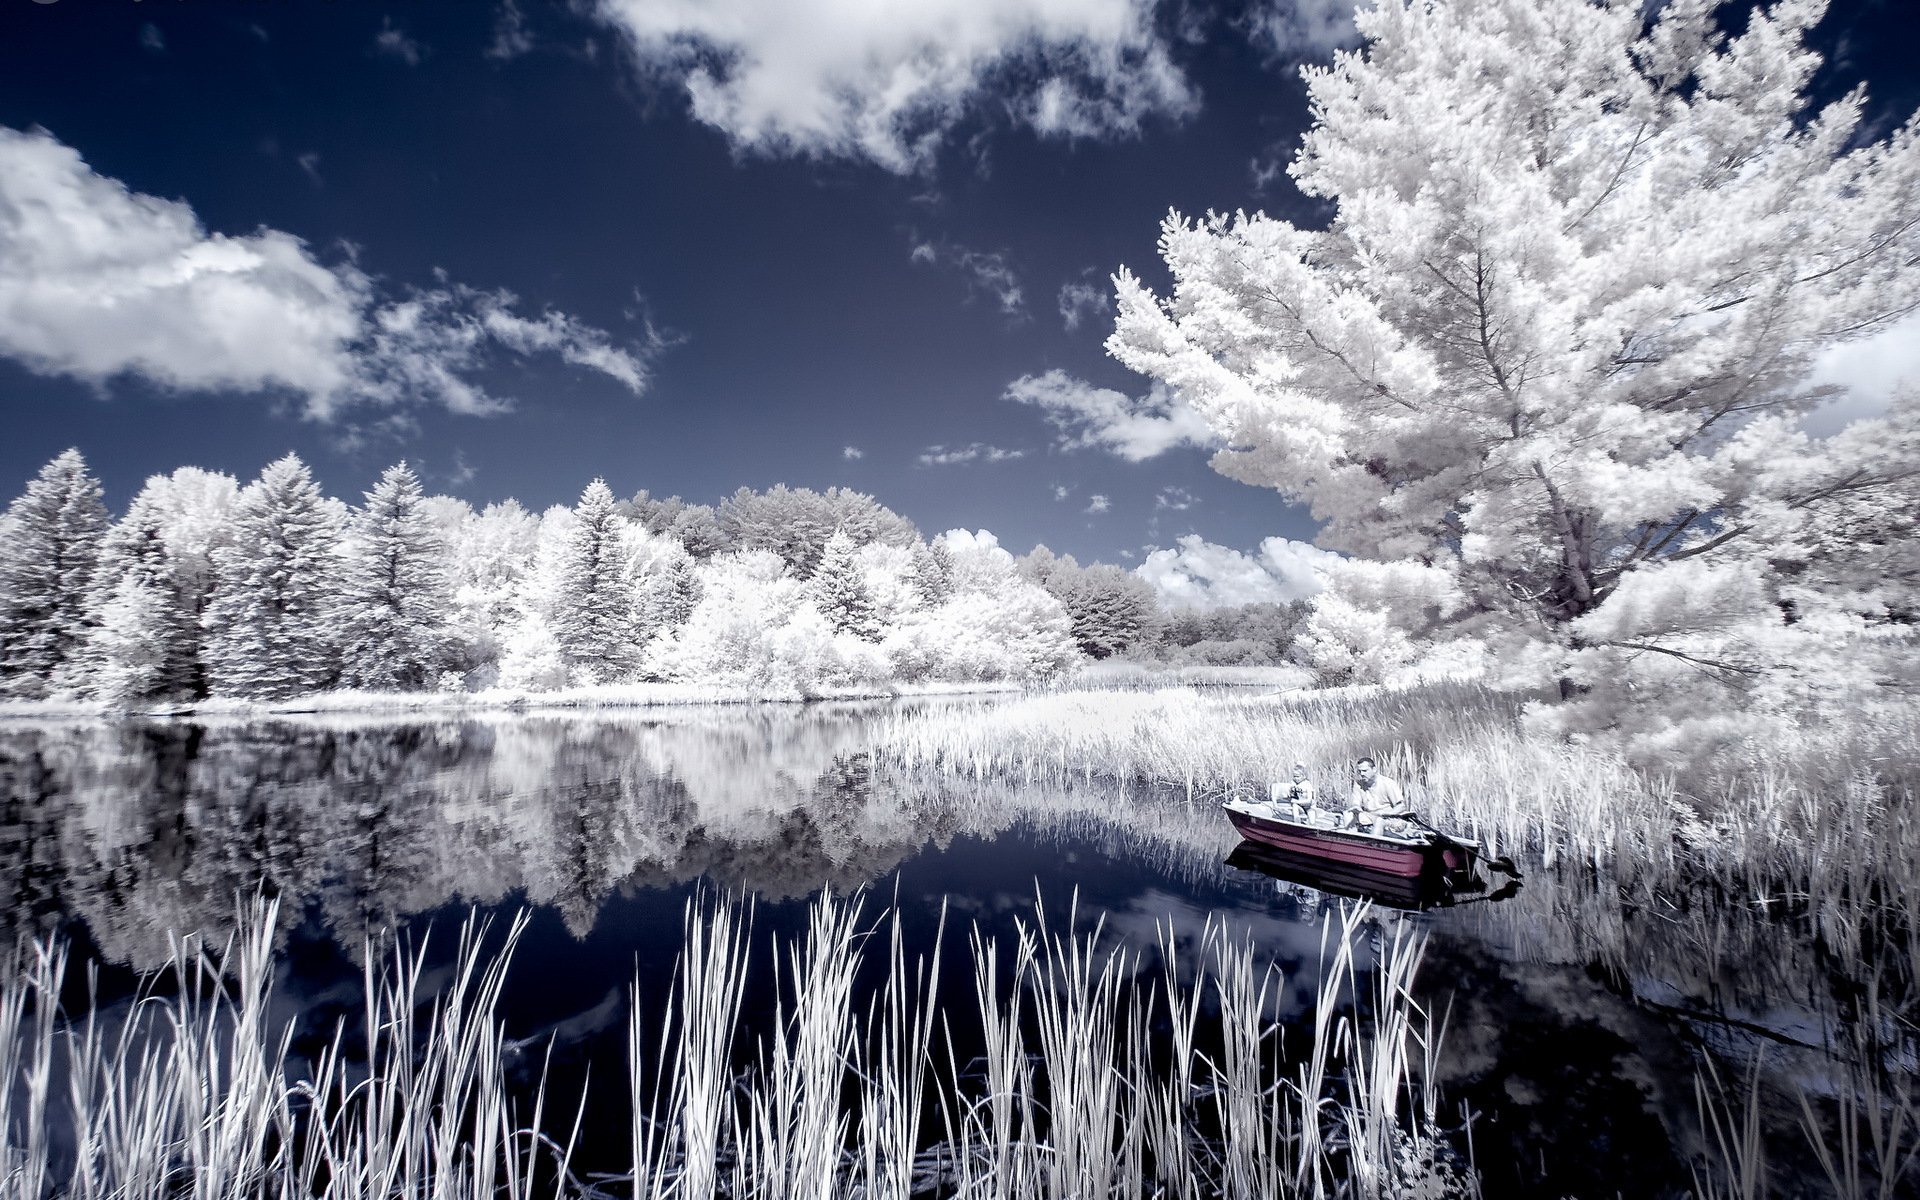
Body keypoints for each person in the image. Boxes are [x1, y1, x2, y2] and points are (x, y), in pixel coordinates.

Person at [1344, 756, 1408, 831]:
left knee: (1379, 821)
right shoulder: (1358, 784)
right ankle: (1351, 839)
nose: (1362, 774)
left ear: (1374, 769)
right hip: (1369, 816)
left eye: (1365, 771)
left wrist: (1387, 813)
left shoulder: (1387, 783)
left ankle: (1374, 842)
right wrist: (1356, 807)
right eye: (1359, 771)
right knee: (1347, 814)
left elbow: (1401, 806)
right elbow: (1356, 802)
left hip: (1389, 818)